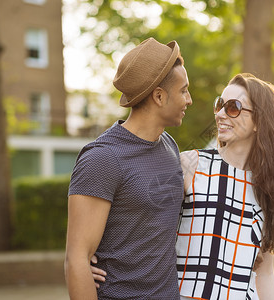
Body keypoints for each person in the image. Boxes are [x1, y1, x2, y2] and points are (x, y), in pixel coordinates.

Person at [92, 73, 274, 299]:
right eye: (220, 105)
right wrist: (91, 257)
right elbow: (141, 223)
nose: (221, 114)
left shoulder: (269, 187)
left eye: (233, 107)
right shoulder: (190, 165)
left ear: (259, 121)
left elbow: (265, 273)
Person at [64, 37, 192, 300]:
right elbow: (76, 259)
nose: (189, 100)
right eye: (184, 91)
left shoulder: (169, 145)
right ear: (159, 96)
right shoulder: (103, 159)